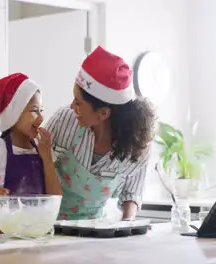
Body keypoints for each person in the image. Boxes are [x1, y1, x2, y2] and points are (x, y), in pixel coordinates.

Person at [45, 46, 156, 220]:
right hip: (49, 224)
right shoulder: (64, 120)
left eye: (78, 102)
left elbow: (131, 193)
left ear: (103, 113)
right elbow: (34, 170)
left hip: (94, 231)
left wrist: (127, 227)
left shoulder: (137, 145)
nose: (72, 107)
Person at [0, 73, 61, 235]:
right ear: (13, 115)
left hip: (37, 236)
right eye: (34, 111)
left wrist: (47, 158)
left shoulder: (42, 149)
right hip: (3, 238)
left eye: (41, 110)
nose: (41, 117)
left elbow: (55, 198)